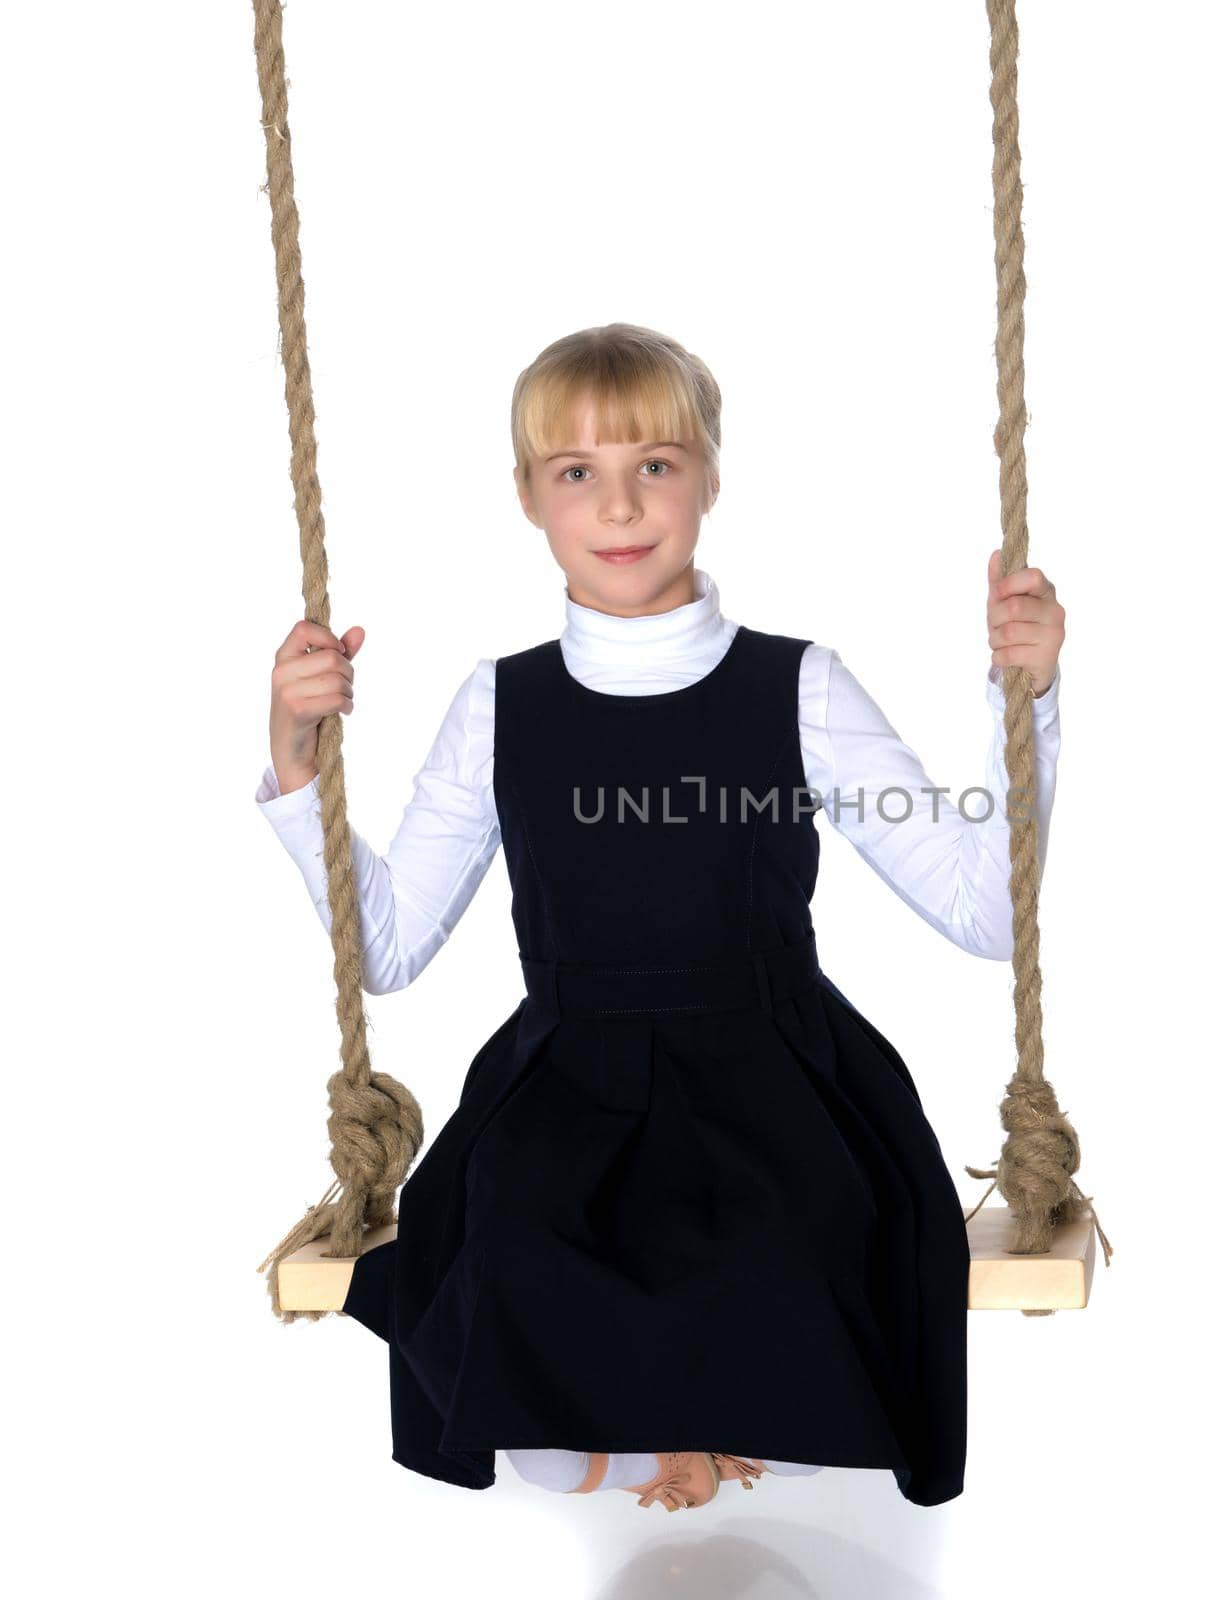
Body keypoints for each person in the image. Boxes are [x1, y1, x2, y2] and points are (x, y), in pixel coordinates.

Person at [258, 323, 1066, 1512]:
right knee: (501, 1247)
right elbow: (385, 944)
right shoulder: (499, 704)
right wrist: (295, 758)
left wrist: (1027, 705)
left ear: (710, 478)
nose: (621, 503)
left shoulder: (799, 686)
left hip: (778, 1077)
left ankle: (704, 1421)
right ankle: (658, 1432)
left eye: (656, 464)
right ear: (529, 497)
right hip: (567, 1082)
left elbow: (981, 909)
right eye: (576, 472)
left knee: (792, 1242)